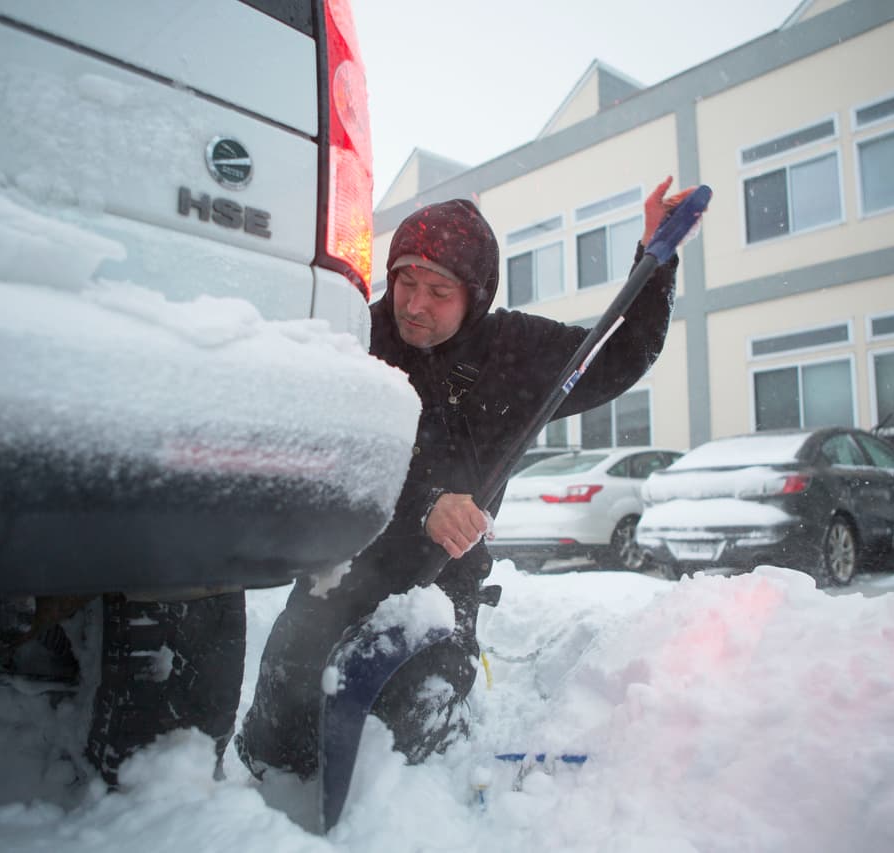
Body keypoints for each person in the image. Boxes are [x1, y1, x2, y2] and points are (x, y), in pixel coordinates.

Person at [235, 177, 695, 778]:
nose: (415, 304)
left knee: (406, 738)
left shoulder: (512, 350)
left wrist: (656, 259)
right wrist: (426, 500)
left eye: (438, 290)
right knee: (278, 742)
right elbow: (327, 454)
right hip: (346, 566)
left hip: (441, 585)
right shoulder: (361, 341)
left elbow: (619, 356)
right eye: (405, 282)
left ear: (473, 296)